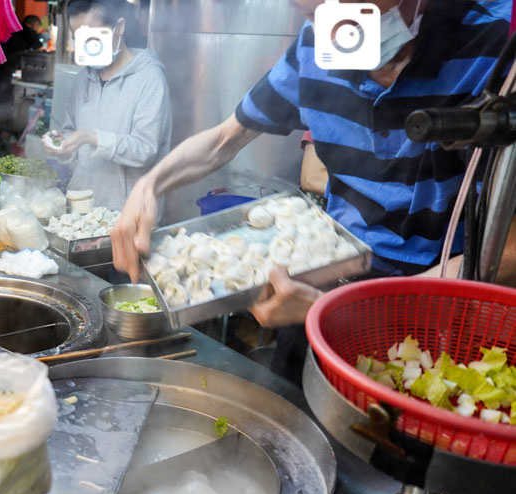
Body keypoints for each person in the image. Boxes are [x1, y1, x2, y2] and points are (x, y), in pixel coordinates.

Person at [112, 0, 516, 383]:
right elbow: (224, 140)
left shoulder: (499, 42)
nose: (332, 30)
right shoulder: (315, 46)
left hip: (441, 316)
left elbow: (507, 252)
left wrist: (336, 312)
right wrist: (150, 184)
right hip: (327, 287)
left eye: (349, 9)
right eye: (311, 12)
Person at [56, 0, 171, 213]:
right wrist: (62, 145)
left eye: (93, 37)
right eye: (78, 39)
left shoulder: (149, 78)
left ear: (119, 27)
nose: (86, 46)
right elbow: (72, 134)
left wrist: (93, 138)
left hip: (129, 214)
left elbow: (146, 149)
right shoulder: (83, 79)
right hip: (81, 211)